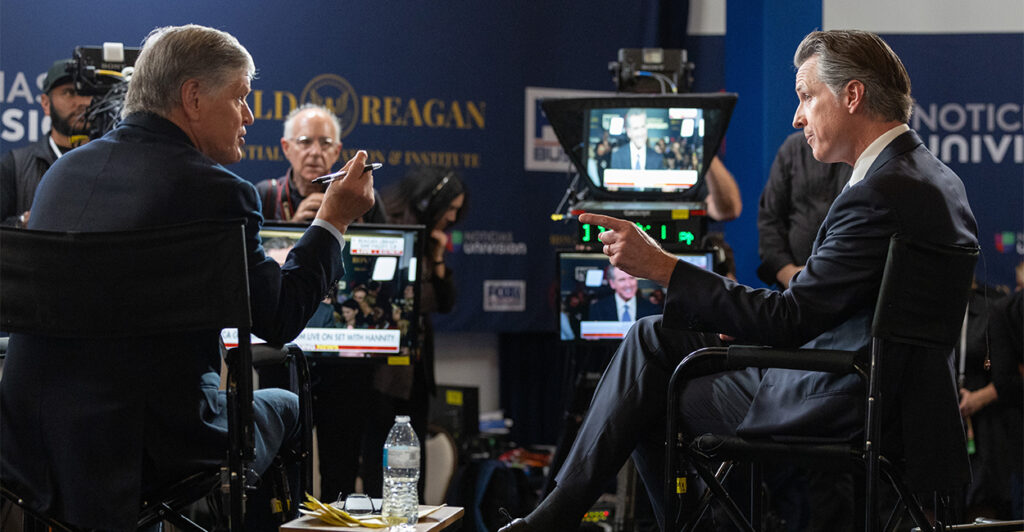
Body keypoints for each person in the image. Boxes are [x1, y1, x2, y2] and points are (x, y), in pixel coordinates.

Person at [500, 29, 978, 532]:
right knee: (653, 337)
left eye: (806, 96)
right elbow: (825, 308)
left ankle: (559, 518)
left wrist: (662, 266)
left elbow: (792, 319)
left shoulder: (878, 193)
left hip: (841, 396)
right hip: (886, 392)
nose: (797, 117)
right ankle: (557, 516)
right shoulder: (936, 179)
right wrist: (739, 321)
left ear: (852, 96)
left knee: (648, 392)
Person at [0, 24, 376, 532]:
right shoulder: (220, 192)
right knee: (286, 400)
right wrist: (333, 220)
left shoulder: (61, 176)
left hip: (31, 440)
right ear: (193, 97)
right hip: (151, 447)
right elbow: (281, 317)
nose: (248, 115)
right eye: (241, 97)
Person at [357, 166, 467, 496]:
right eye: (449, 208)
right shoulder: (385, 218)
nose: (451, 217)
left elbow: (445, 301)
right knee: (378, 465)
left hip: (416, 368)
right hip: (380, 370)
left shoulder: (430, 235)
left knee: (411, 468)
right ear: (428, 201)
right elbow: (408, 299)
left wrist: (435, 258)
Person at [256, 103, 385, 224]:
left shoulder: (361, 197)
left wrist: (342, 221)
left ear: (336, 151)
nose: (316, 152)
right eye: (305, 141)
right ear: (286, 148)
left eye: (325, 143)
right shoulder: (266, 196)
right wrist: (293, 228)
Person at [0, 59, 92, 227]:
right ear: (46, 103)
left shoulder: (113, 162)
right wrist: (22, 224)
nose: (81, 103)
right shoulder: (14, 166)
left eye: (86, 93)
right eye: (69, 93)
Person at [757, 130, 852, 287]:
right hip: (793, 286)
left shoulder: (861, 154)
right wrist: (788, 273)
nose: (798, 119)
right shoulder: (793, 148)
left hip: (848, 285)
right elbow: (769, 220)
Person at [588, 263, 660, 322]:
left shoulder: (653, 310)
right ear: (612, 284)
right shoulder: (598, 309)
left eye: (631, 278)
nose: (628, 284)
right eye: (622, 280)